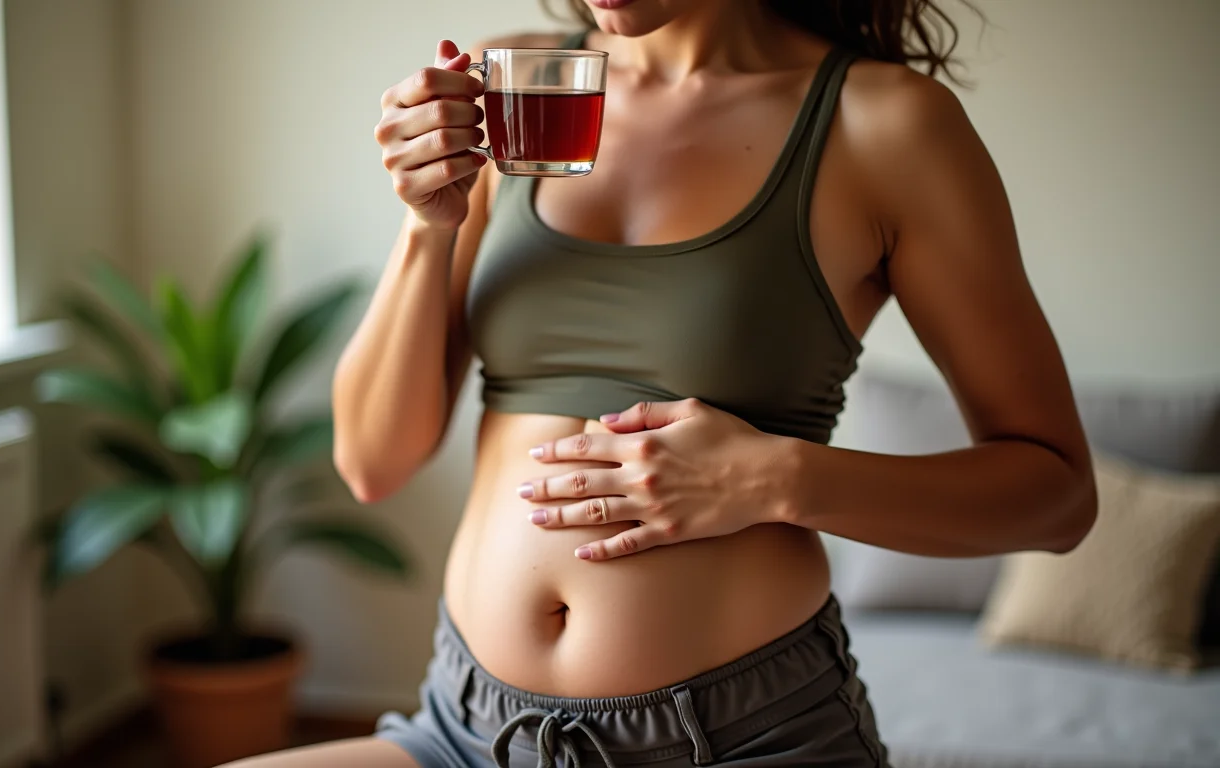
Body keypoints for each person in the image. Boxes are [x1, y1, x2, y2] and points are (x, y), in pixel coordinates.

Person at [226, 0, 1096, 765]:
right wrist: (427, 228)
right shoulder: (516, 85)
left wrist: (776, 478)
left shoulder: (887, 126)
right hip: (466, 729)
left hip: (741, 741)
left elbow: (1057, 496)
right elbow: (372, 462)